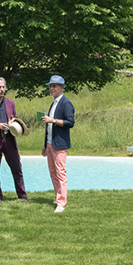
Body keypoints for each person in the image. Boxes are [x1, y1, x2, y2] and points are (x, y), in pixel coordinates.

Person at [0, 77, 28, 203]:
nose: (2, 89)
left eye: (3, 87)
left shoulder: (10, 103)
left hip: (10, 139)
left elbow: (15, 117)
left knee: (17, 168)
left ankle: (22, 195)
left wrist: (14, 122)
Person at [40, 75, 74, 213]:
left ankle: (61, 203)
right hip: (50, 143)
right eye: (50, 86)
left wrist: (53, 120)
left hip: (60, 144)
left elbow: (70, 123)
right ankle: (58, 196)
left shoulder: (66, 103)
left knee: (60, 173)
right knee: (53, 172)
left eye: (54, 86)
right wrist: (45, 145)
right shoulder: (54, 103)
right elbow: (49, 127)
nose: (51, 88)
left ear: (61, 88)